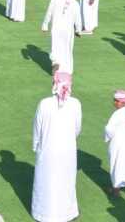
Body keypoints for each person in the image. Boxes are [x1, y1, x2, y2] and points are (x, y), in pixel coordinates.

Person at [31, 71, 82, 222]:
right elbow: (77, 129)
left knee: (46, 182)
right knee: (65, 181)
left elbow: (37, 128)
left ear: (54, 84)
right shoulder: (75, 104)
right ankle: (66, 213)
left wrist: (36, 145)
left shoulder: (44, 103)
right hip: (67, 151)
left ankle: (44, 214)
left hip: (47, 150)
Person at [42, 0, 82, 73]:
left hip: (56, 29)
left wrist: (45, 25)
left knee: (55, 46)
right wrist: (78, 31)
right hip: (68, 31)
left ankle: (55, 62)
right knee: (67, 49)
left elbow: (49, 13)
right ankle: (67, 70)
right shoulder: (75, 3)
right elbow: (78, 20)